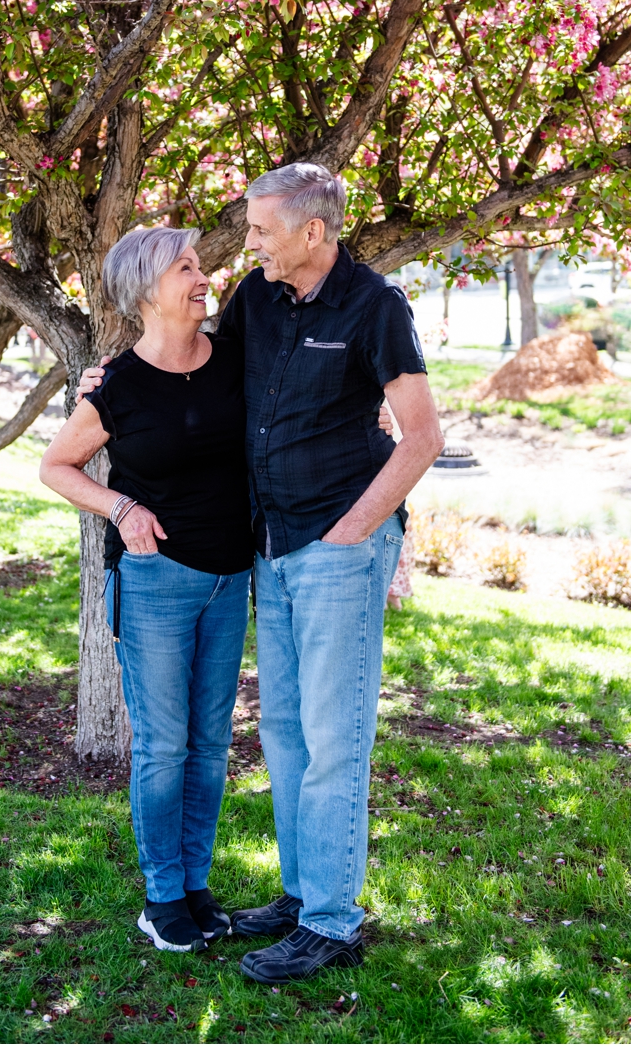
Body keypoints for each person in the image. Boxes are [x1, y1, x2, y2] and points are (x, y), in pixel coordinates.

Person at [79, 163, 443, 984]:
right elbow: (189, 362)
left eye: (261, 230)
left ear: (313, 232)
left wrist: (356, 532)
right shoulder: (255, 299)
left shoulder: (376, 308)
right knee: (283, 733)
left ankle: (332, 920)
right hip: (269, 548)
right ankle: (301, 893)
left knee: (334, 738)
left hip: (335, 548)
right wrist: (99, 384)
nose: (246, 244)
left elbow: (422, 436)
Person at [41, 226, 251, 955]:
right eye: (185, 268)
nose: (202, 276)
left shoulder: (234, 361)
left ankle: (196, 885)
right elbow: (57, 466)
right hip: (156, 581)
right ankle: (161, 895)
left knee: (210, 744)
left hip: (231, 580)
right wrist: (120, 507)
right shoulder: (117, 385)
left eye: (199, 264)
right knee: (164, 746)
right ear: (145, 291)